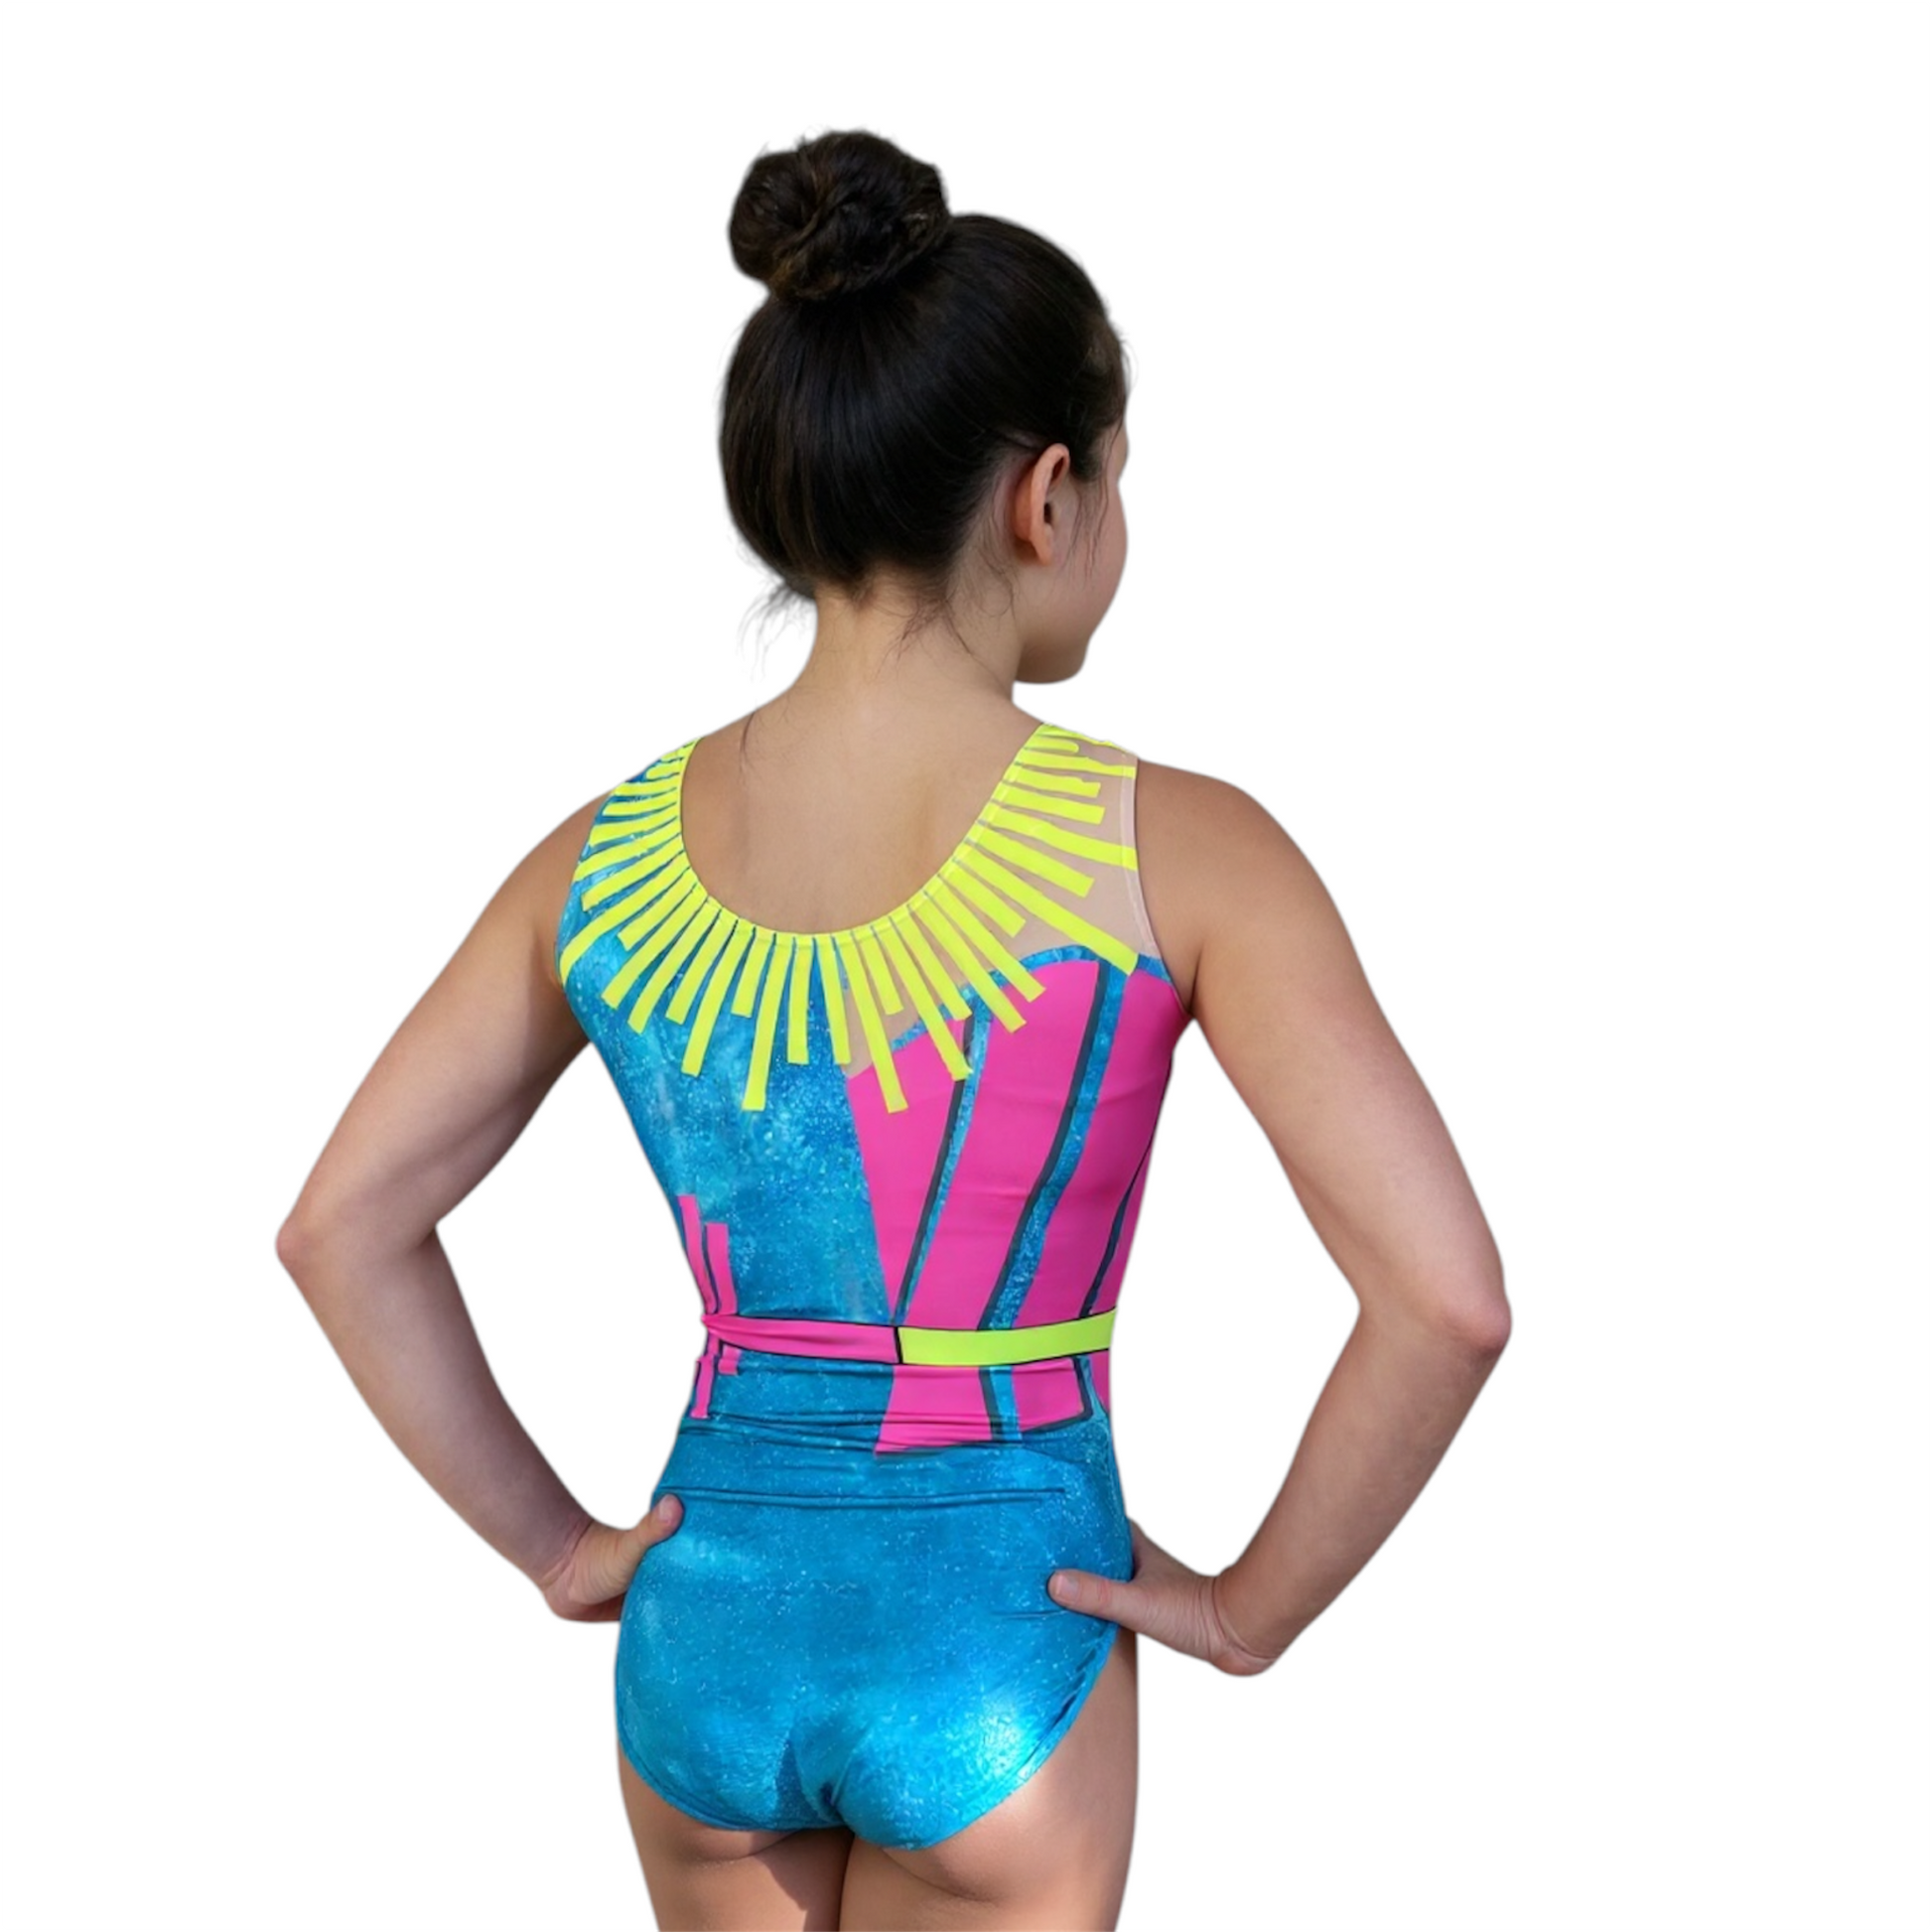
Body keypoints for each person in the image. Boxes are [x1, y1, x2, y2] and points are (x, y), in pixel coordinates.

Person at [278, 128, 1511, 1932]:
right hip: (999, 1632)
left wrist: (556, 1548)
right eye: (1120, 478)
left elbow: (340, 1224)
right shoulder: (1178, 849)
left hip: (704, 1629)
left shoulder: (598, 862)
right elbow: (1447, 1299)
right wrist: (1249, 1609)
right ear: (1045, 496)